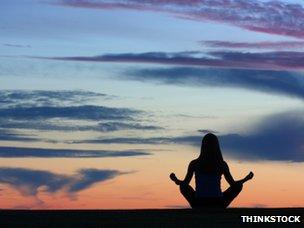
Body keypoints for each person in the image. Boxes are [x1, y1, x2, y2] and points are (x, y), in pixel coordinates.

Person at [170, 133, 254, 209]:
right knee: (238, 186)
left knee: (183, 186)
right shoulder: (222, 164)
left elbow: (185, 185)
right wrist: (245, 179)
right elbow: (234, 185)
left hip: (199, 202)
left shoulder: (194, 163)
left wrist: (176, 180)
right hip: (218, 202)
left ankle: (199, 207)